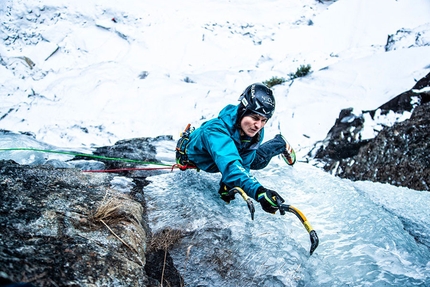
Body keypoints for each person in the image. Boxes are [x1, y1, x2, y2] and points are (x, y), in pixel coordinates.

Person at [175, 83, 296, 214]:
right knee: (256, 161)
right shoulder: (215, 131)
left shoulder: (255, 132)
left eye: (263, 120)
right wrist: (258, 191)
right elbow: (231, 165)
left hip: (223, 156)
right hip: (203, 156)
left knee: (258, 162)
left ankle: (279, 144)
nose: (258, 125)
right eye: (255, 117)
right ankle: (279, 143)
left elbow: (243, 164)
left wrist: (231, 183)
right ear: (242, 111)